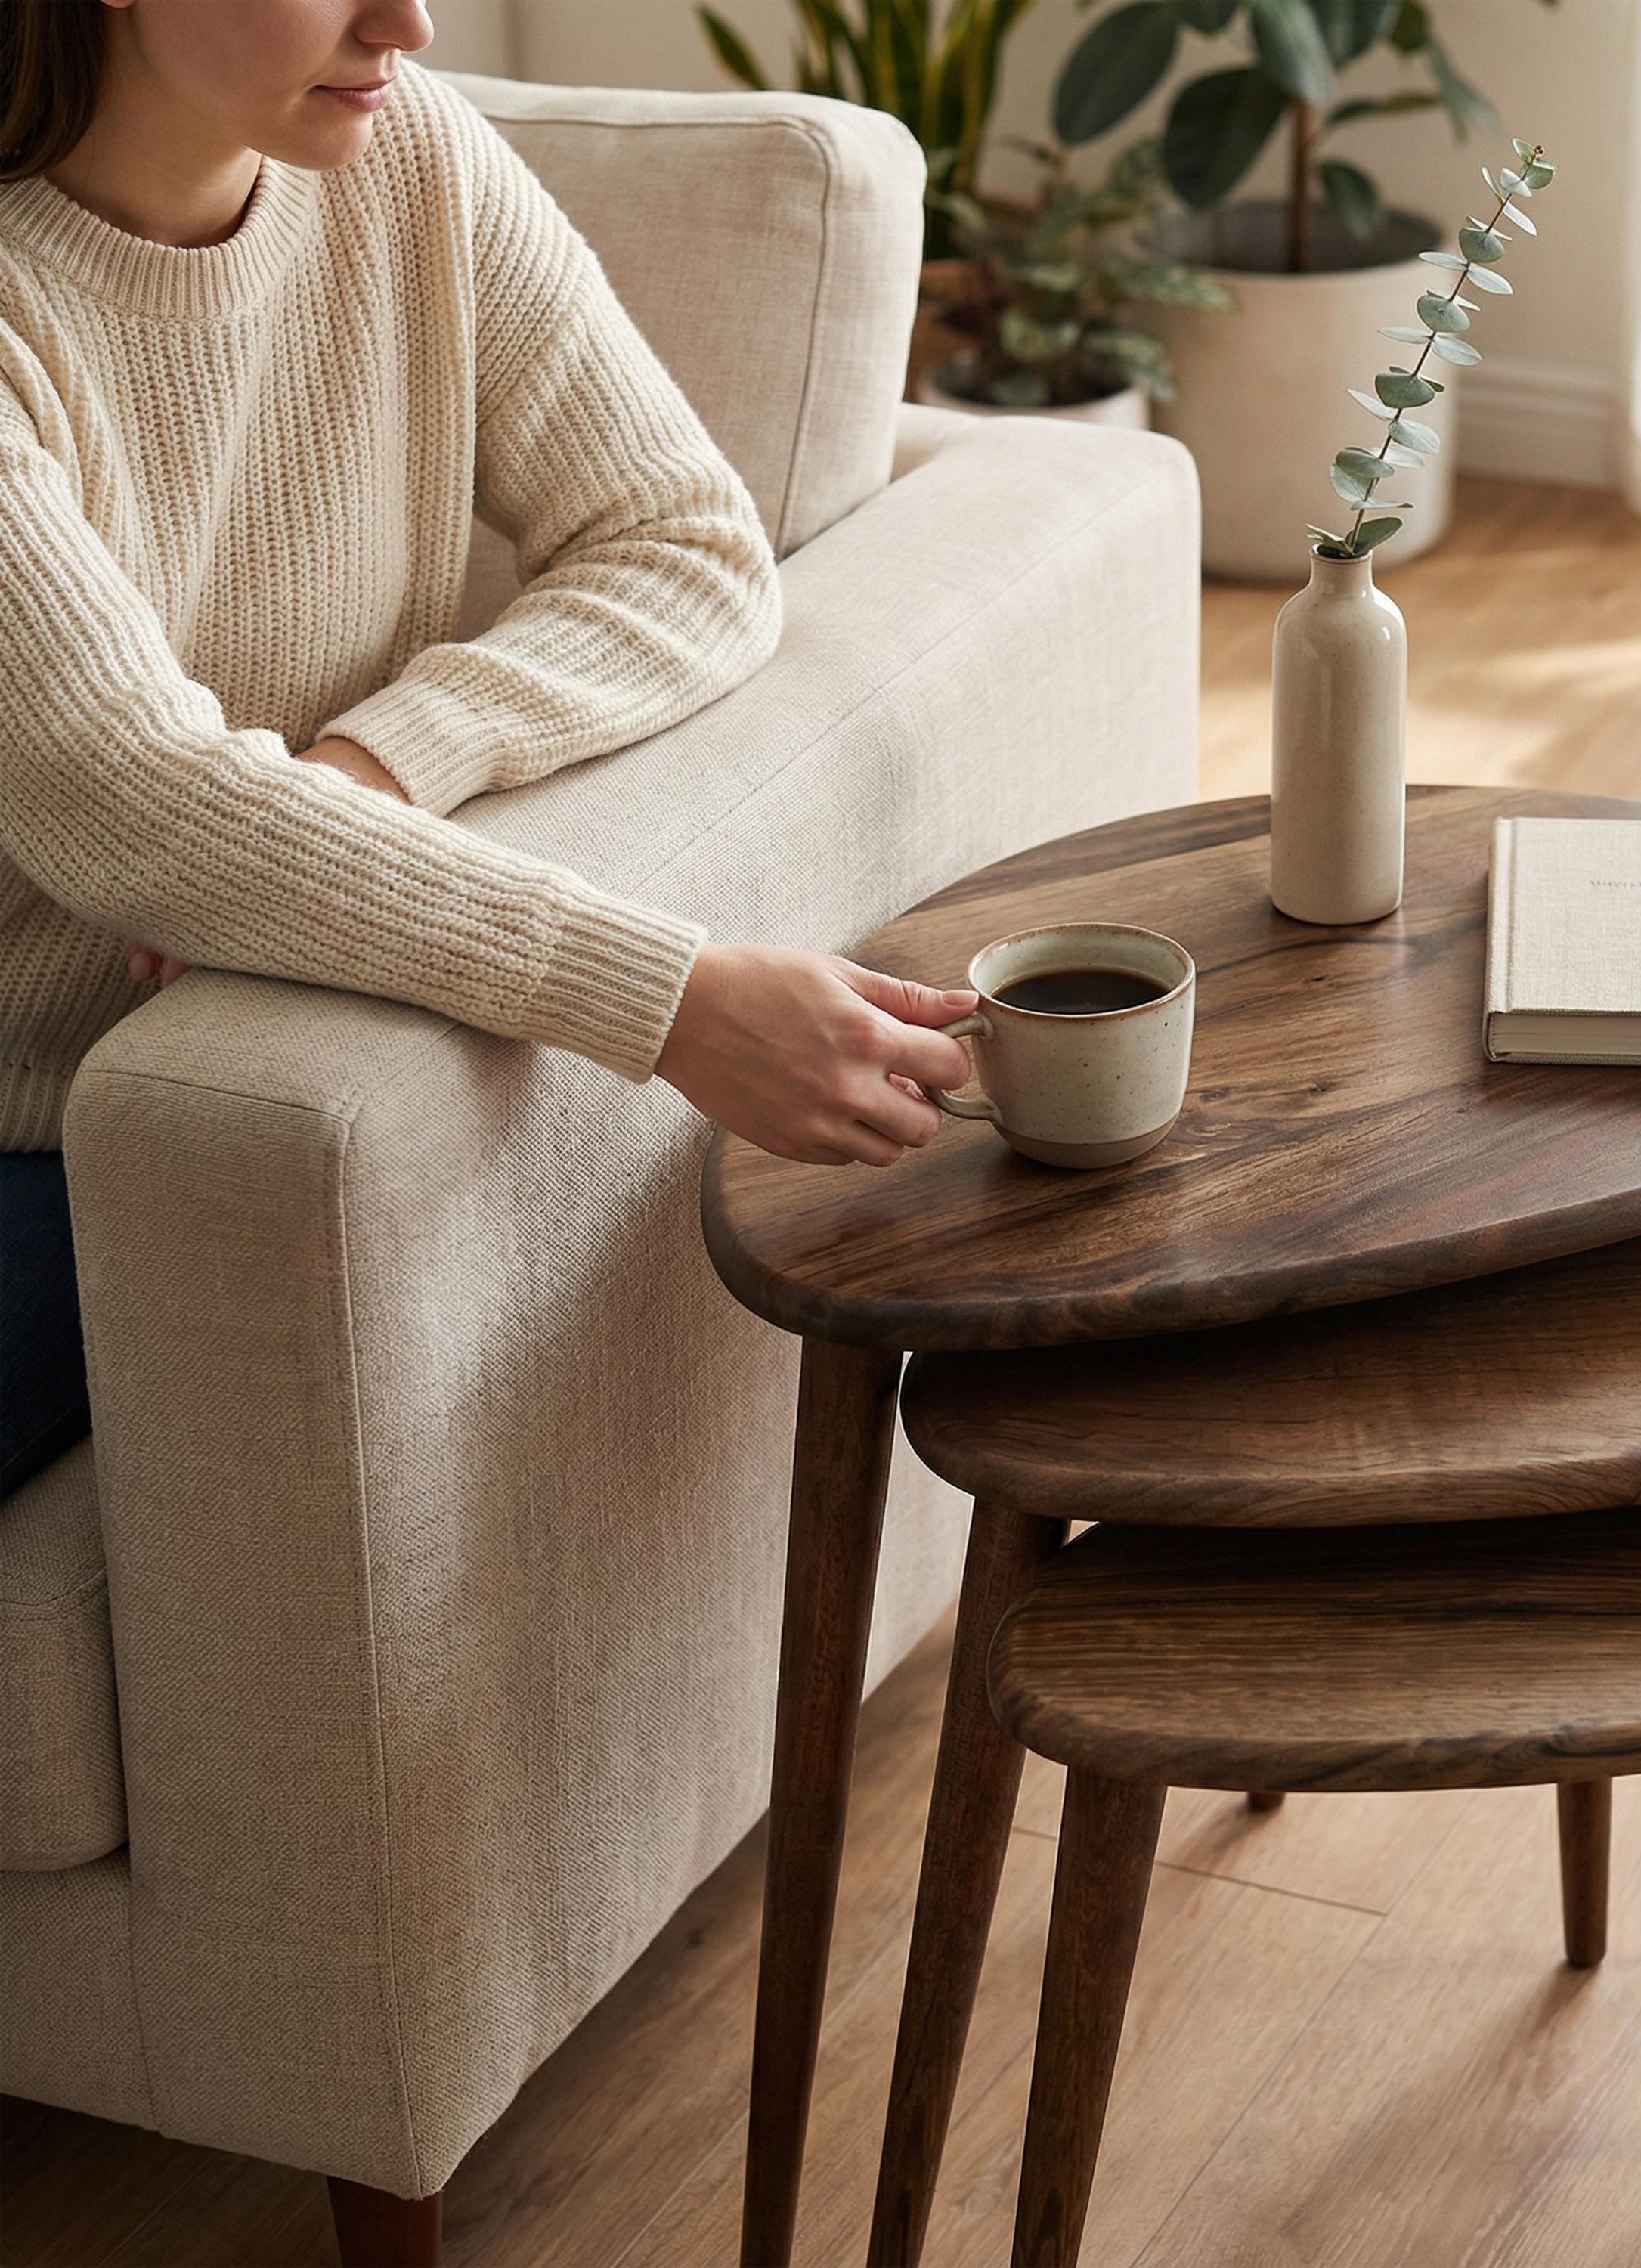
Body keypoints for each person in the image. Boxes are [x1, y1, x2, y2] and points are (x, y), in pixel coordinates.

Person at [0, 0, 976, 1496]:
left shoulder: (407, 162)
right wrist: (677, 1003)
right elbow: (137, 803)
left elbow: (686, 544)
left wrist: (382, 761)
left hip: (186, 1103)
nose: (411, 22)